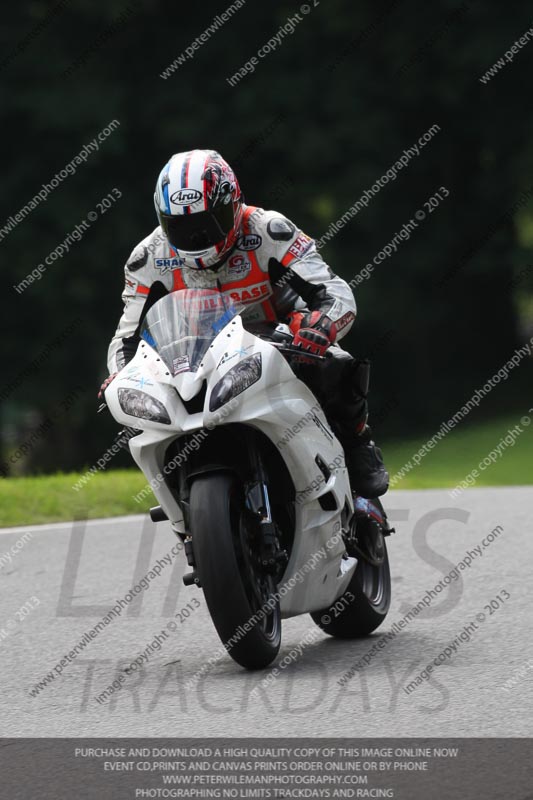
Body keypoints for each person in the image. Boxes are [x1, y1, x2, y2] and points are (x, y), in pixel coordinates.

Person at [100, 149, 388, 498]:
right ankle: (184, 499)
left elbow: (334, 292)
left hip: (279, 339)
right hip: (193, 359)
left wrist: (321, 325)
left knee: (337, 364)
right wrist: (120, 375)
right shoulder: (147, 258)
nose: (197, 238)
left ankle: (359, 443)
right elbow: (126, 338)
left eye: (208, 222)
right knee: (139, 413)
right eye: (181, 227)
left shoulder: (270, 231)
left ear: (234, 203)